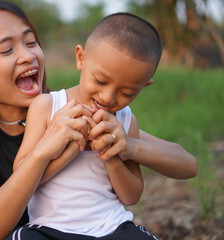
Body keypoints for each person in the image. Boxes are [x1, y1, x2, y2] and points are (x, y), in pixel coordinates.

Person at [0, 1, 197, 240]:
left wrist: (128, 147)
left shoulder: (78, 110)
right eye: (7, 50)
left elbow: (187, 164)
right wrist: (46, 151)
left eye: (31, 42)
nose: (27, 55)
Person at [10, 12, 173, 239]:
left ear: (144, 86)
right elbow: (22, 174)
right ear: (81, 58)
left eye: (126, 92)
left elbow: (131, 196)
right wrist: (67, 149)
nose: (108, 97)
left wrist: (111, 154)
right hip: (50, 229)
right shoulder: (47, 106)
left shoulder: (126, 120)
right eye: (100, 81)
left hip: (111, 227)